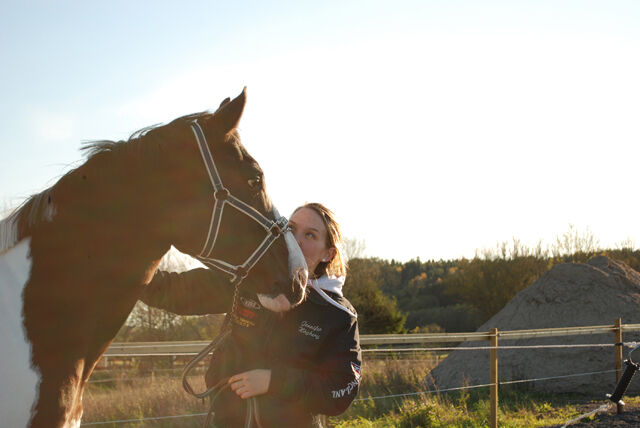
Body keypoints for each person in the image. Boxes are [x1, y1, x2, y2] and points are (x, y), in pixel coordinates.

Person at [141, 202, 361, 427]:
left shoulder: (338, 315)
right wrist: (131, 274)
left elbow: (341, 390)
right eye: (291, 229)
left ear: (328, 254)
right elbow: (176, 291)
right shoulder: (248, 280)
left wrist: (273, 381)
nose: (296, 240)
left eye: (310, 235)